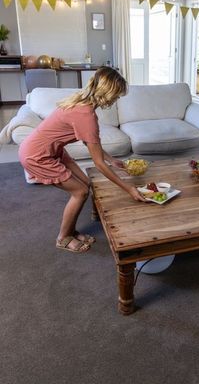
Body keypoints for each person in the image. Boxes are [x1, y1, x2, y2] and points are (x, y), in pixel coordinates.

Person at [19, 67, 145, 254]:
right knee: (80, 192)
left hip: (50, 150)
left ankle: (71, 230)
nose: (116, 99)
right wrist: (129, 188)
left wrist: (111, 159)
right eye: (116, 95)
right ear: (107, 92)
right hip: (37, 156)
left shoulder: (80, 101)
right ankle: (63, 238)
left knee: (86, 184)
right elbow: (98, 164)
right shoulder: (86, 116)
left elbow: (90, 142)